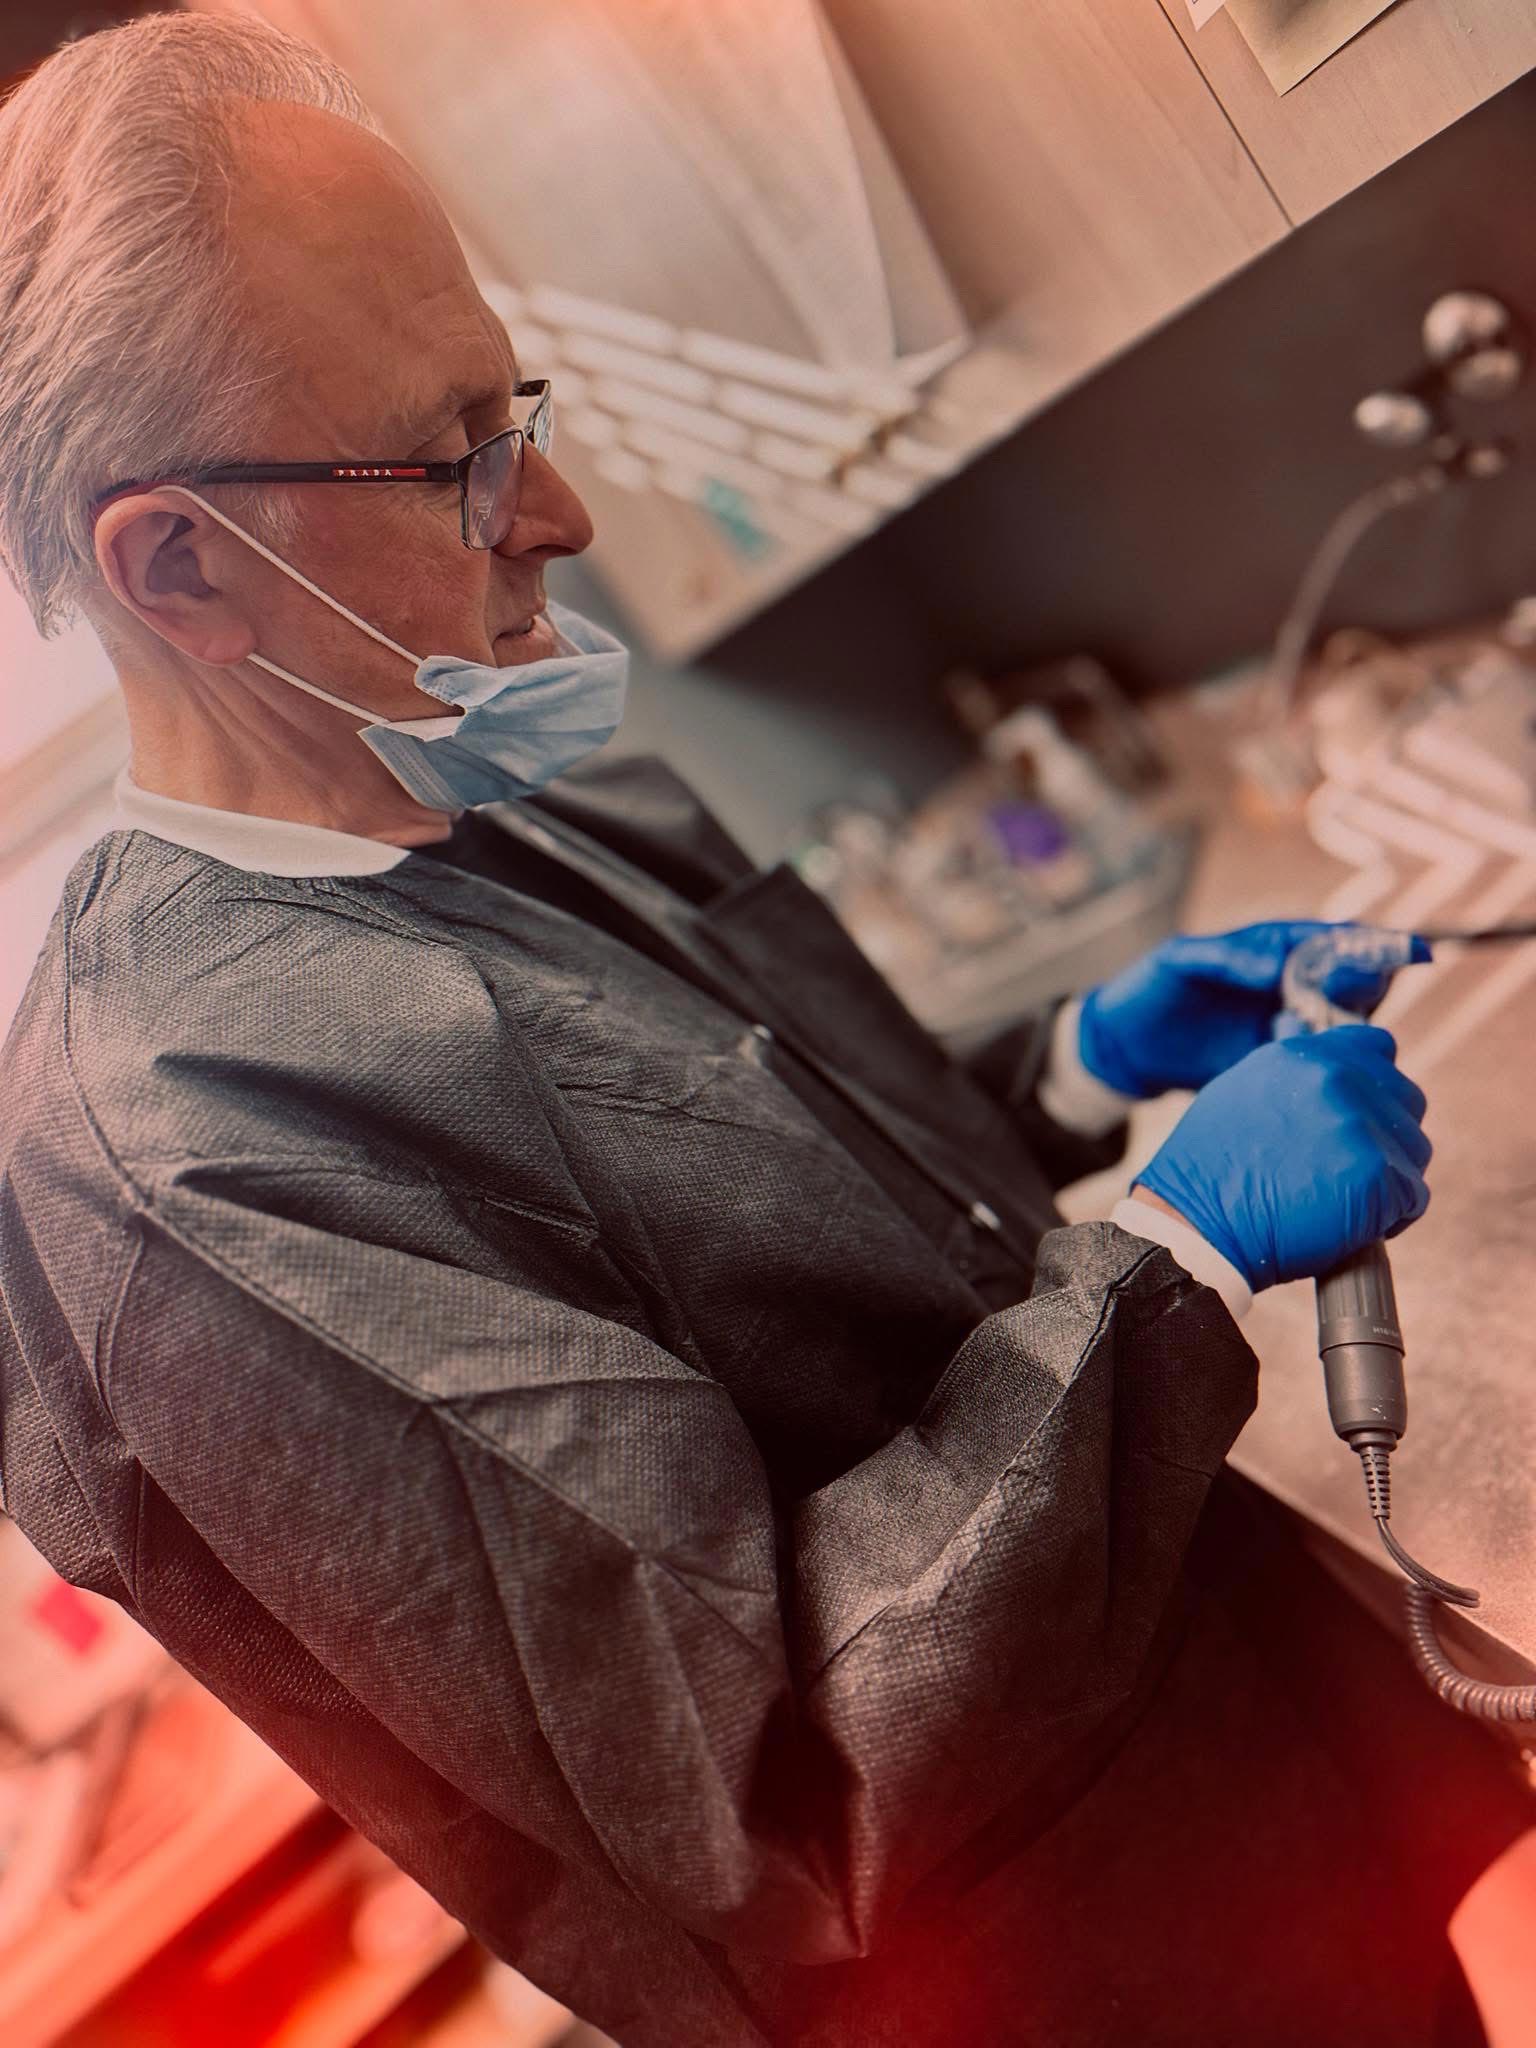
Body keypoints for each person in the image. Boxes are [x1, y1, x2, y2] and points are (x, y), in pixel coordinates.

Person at [0, 17, 1526, 2046]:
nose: (558, 513)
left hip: (1213, 1727)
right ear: (184, 564)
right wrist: (1181, 1246)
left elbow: (773, 1225)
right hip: (1050, 1974)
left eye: (516, 408)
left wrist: (1075, 1063)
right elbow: (774, 1768)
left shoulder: (473, 769)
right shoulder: (189, 1158)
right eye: (457, 455)